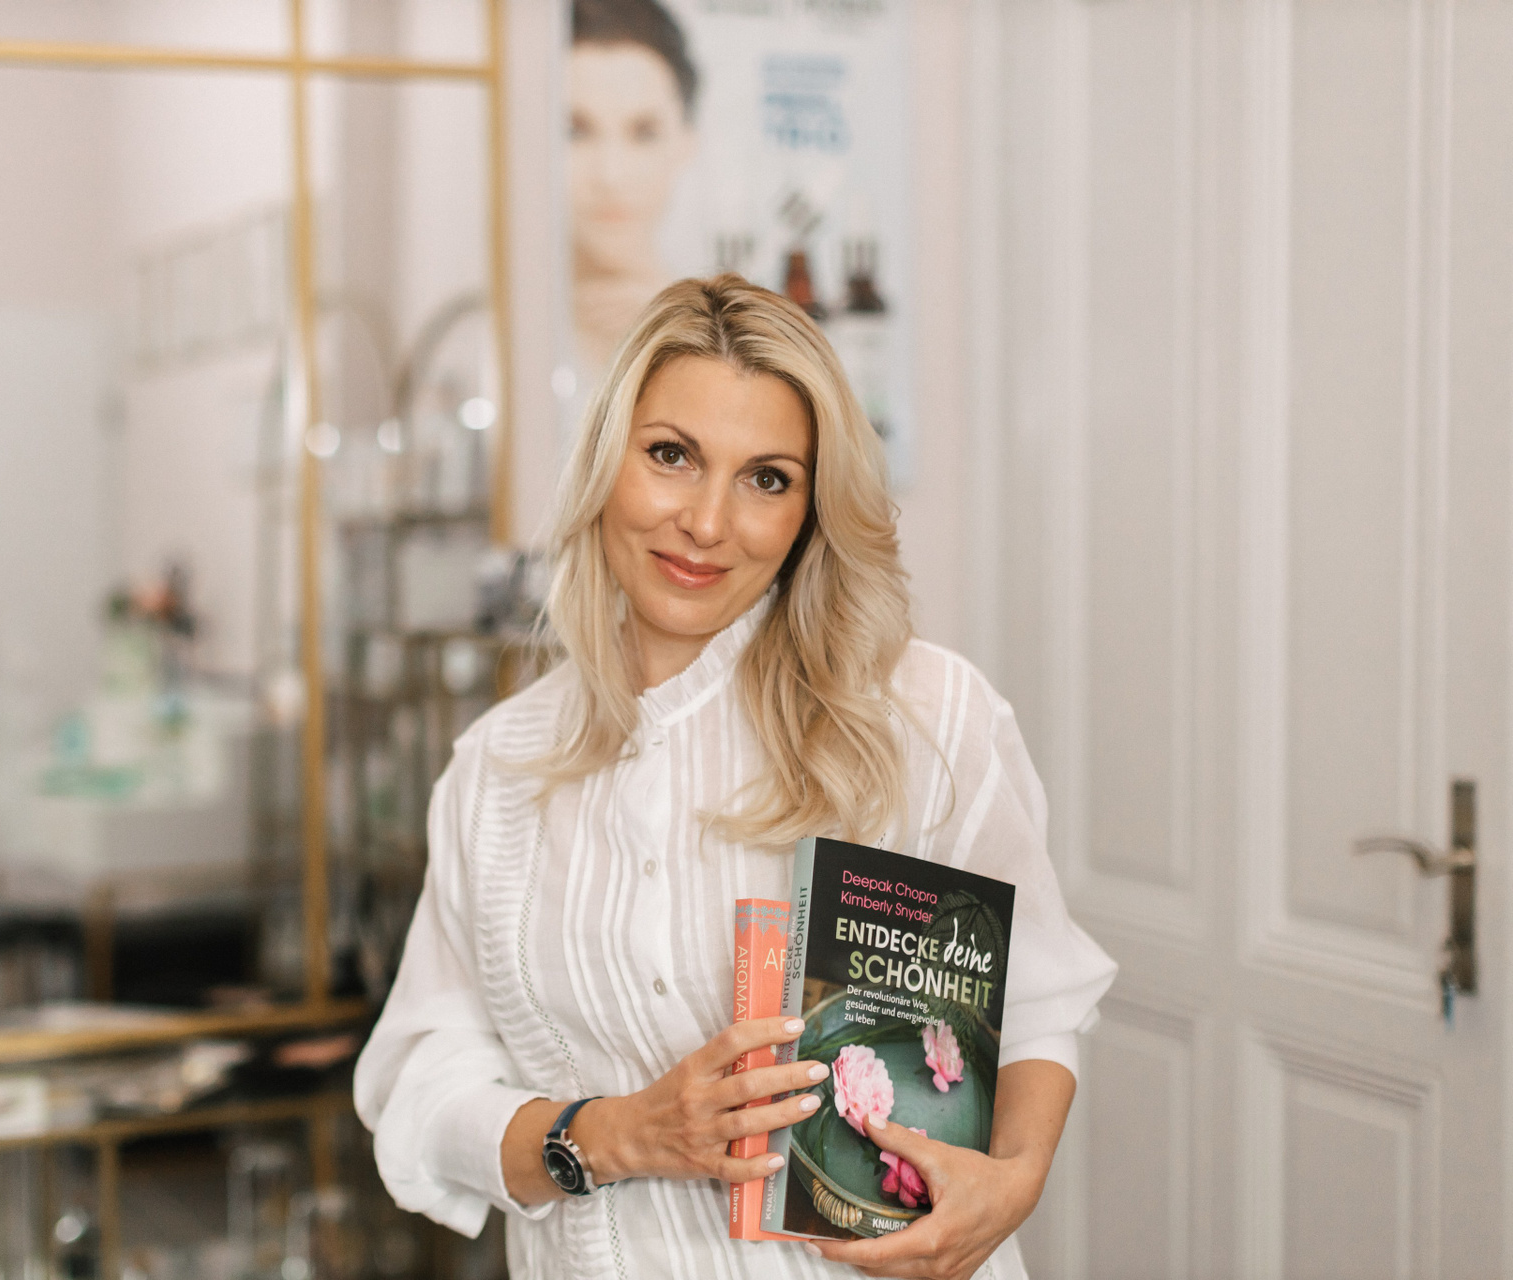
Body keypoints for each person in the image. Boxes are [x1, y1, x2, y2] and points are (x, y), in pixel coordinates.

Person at [355, 276, 1116, 1279]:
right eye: (671, 455)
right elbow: (419, 1083)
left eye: (767, 478)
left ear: (809, 511)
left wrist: (1012, 1182)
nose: (708, 522)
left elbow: (1041, 1000)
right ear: (606, 460)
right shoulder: (500, 770)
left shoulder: (921, 718)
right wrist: (615, 1133)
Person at [569, 0, 698, 371]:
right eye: (575, 131)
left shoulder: (742, 348)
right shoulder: (483, 336)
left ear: (687, 143)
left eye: (644, 133)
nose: (611, 177)